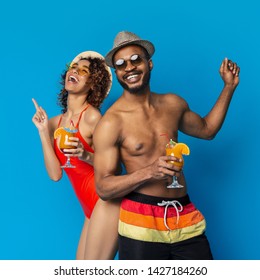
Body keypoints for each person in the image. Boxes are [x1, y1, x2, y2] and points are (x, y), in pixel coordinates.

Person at [93, 31, 240, 260]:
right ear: (117, 72)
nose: (129, 68)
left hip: (183, 214)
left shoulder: (173, 104)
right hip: (140, 221)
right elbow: (103, 188)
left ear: (149, 64)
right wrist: (149, 172)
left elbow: (208, 130)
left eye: (136, 60)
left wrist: (228, 87)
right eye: (121, 64)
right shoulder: (111, 123)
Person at [32, 51, 119, 259]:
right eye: (73, 67)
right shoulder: (54, 123)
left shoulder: (92, 117)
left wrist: (85, 155)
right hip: (88, 209)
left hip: (106, 203)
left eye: (83, 71)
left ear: (92, 84)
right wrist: (43, 131)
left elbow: (115, 168)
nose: (75, 71)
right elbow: (55, 175)